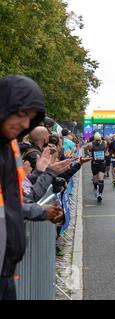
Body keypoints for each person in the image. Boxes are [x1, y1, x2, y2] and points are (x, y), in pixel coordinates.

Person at [0, 75, 67, 300]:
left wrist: (42, 172)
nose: (25, 124)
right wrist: (42, 211)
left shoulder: (9, 145)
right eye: (21, 115)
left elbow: (19, 196)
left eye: (30, 118)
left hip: (6, 266)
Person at [84, 132, 108, 202]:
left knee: (100, 178)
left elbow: (106, 149)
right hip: (94, 164)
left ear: (101, 139)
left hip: (102, 163)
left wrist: (105, 153)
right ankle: (95, 186)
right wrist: (89, 154)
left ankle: (100, 194)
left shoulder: (105, 143)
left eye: (99, 140)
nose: (98, 142)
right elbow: (85, 149)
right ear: (94, 140)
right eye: (96, 140)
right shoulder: (91, 144)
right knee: (95, 179)